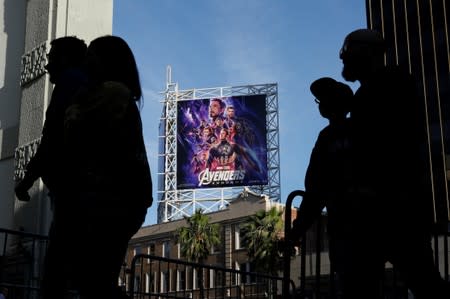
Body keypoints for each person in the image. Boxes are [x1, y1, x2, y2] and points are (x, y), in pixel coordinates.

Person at [339, 28, 449, 298]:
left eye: (349, 54)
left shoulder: (386, 88)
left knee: (420, 280)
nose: (344, 61)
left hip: (392, 206)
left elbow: (392, 145)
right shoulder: (375, 91)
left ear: (365, 54)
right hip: (388, 206)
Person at [63, 35, 153, 299]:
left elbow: (78, 128)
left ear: (106, 61)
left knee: (93, 280)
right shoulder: (116, 94)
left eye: (92, 55)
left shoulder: (111, 93)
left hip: (110, 201)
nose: (87, 61)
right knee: (97, 278)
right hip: (119, 200)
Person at [13, 36, 88, 299]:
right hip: (83, 193)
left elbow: (52, 139)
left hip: (72, 192)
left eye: (52, 58)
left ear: (66, 59)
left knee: (56, 275)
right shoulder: (87, 85)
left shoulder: (70, 83)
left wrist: (26, 180)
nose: (47, 65)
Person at [290, 77, 354, 297]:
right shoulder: (330, 136)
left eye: (323, 100)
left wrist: (296, 231)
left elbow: (315, 190)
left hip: (351, 226)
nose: (320, 105)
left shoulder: (328, 138)